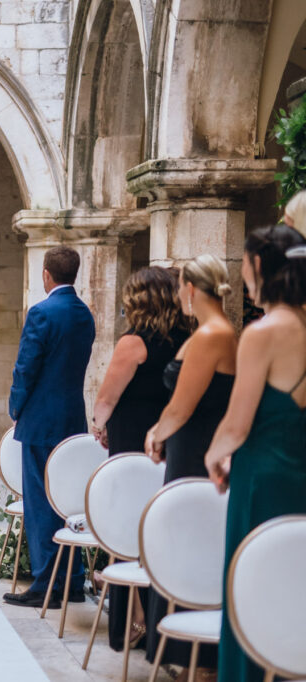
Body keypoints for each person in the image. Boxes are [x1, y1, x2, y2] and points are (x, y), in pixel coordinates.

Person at [202, 225, 306, 682]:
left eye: (243, 264)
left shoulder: (263, 334)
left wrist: (214, 456)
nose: (241, 275)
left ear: (260, 265)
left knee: (251, 590)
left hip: (260, 481)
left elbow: (236, 423)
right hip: (300, 474)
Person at [142, 254, 236, 675]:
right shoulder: (211, 331)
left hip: (196, 447)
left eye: (180, 285)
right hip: (189, 446)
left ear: (192, 289)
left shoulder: (213, 334)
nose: (178, 294)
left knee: (188, 538)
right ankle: (183, 650)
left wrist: (156, 433)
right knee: (184, 536)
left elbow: (182, 406)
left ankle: (191, 655)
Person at [90, 266, 188, 651]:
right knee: (158, 527)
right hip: (169, 443)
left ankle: (132, 620)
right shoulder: (189, 337)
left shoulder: (133, 343)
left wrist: (98, 426)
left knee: (127, 526)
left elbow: (106, 399)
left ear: (138, 300)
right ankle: (155, 618)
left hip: (132, 444)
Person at [3, 245, 95, 610]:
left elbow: (26, 367)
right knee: (67, 499)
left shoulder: (41, 312)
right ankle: (72, 581)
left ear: (46, 275)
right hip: (72, 417)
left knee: (41, 503)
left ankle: (45, 585)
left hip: (41, 419)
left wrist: (15, 406)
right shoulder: (84, 314)